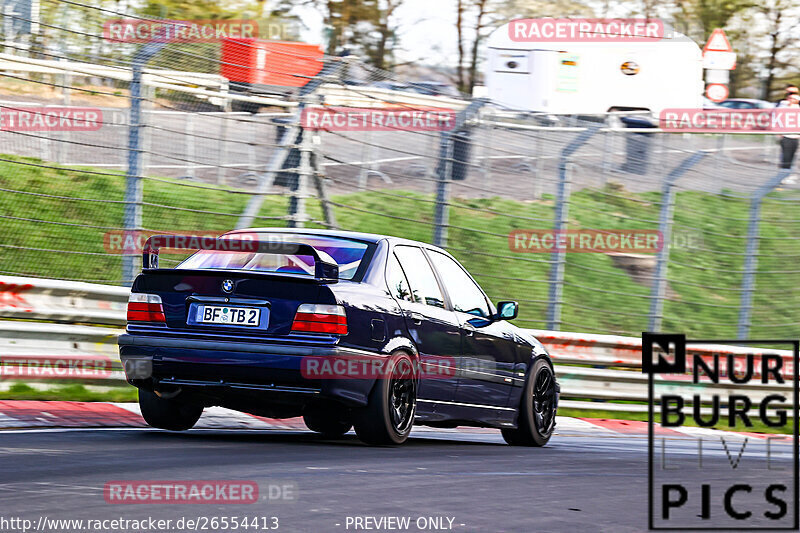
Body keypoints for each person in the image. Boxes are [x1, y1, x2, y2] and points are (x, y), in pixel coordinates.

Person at [777, 86, 800, 184]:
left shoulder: (797, 108)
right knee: (785, 157)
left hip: (795, 136)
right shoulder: (783, 105)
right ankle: (782, 176)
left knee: (792, 157)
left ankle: (787, 175)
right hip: (786, 136)